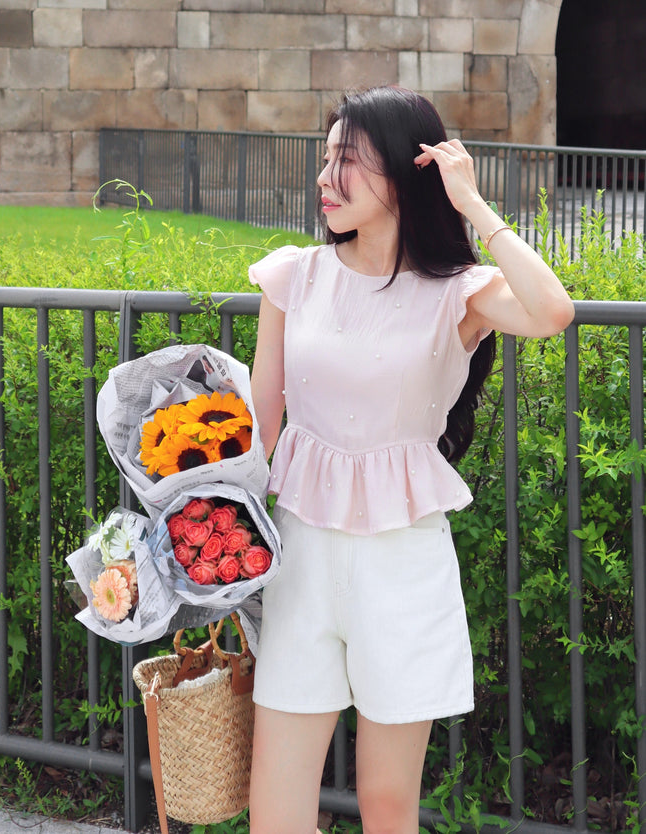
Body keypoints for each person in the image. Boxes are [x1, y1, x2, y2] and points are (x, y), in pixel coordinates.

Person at [246, 85, 574, 834]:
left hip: (402, 563)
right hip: (300, 552)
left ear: (404, 173)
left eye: (348, 161)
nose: (325, 178)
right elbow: (259, 432)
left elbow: (553, 313)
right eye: (325, 159)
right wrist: (196, 539)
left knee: (388, 805)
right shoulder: (294, 276)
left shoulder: (457, 294)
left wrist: (470, 203)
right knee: (275, 802)